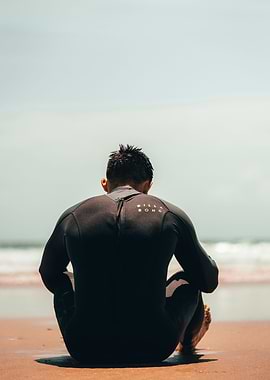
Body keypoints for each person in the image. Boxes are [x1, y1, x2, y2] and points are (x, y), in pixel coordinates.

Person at [39, 144, 218, 365]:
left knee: (65, 278)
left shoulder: (74, 214)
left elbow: (48, 273)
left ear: (104, 183)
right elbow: (208, 280)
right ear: (148, 185)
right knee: (190, 277)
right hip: (155, 345)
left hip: (84, 346)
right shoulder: (169, 214)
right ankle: (189, 341)